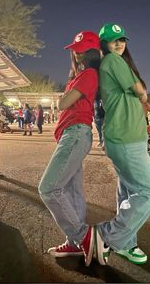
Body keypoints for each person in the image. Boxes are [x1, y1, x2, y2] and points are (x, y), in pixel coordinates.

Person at [94, 23, 150, 266]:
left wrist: (145, 101)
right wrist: (142, 94)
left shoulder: (118, 63)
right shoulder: (112, 61)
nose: (119, 43)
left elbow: (140, 96)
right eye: (113, 40)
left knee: (129, 192)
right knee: (148, 192)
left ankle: (126, 244)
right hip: (125, 138)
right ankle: (107, 235)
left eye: (121, 39)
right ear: (104, 44)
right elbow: (139, 89)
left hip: (130, 136)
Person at [38, 31, 101, 267]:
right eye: (75, 49)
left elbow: (63, 103)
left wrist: (64, 96)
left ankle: (84, 236)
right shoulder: (79, 76)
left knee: (48, 188)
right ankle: (75, 242)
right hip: (71, 134)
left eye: (83, 49)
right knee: (72, 192)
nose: (77, 53)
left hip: (75, 134)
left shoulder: (89, 74)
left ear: (92, 52)